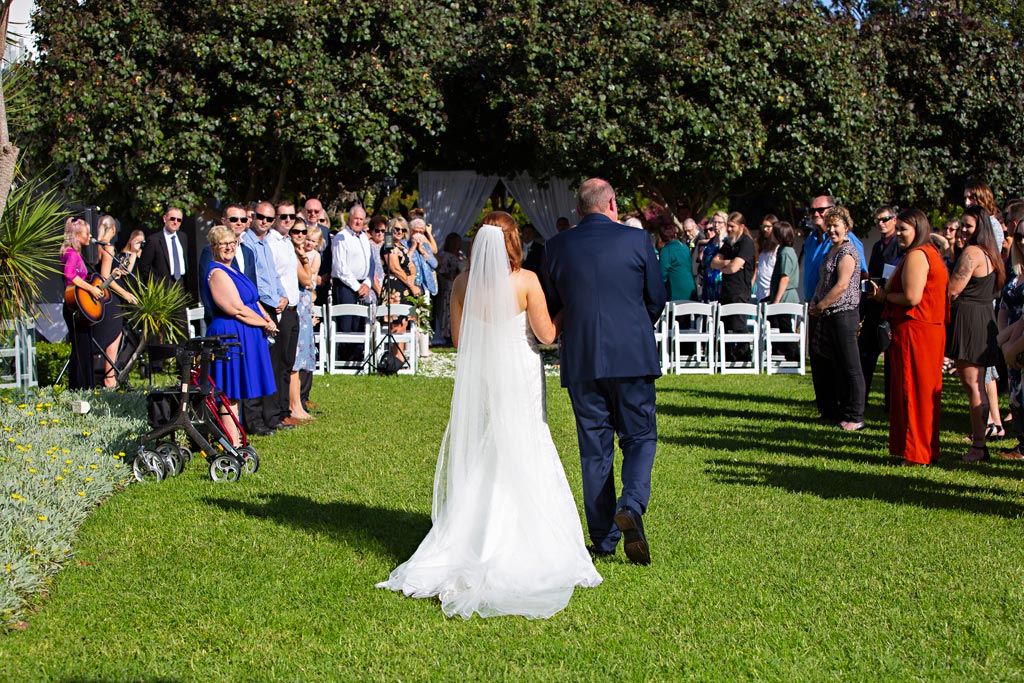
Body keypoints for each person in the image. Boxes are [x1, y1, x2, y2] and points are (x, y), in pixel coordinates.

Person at [377, 214, 601, 619]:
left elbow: (462, 342)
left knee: (491, 446)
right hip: (521, 372)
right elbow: (547, 336)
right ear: (513, 242)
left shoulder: (462, 285)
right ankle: (528, 542)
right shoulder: (526, 281)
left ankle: (473, 533)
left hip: (485, 376)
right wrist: (566, 311)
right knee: (527, 440)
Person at [544, 178, 667, 565]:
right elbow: (656, 299)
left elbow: (553, 305)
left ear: (579, 209)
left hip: (582, 359)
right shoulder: (637, 241)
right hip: (631, 355)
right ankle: (630, 504)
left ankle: (603, 536)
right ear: (612, 203)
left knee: (595, 448)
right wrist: (632, 327)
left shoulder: (556, 246)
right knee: (640, 436)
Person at [869, 209, 948, 465]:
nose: (899, 233)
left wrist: (883, 296)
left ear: (919, 229)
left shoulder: (917, 255)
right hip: (927, 329)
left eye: (904, 229)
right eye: (899, 228)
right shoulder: (930, 253)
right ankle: (923, 449)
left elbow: (912, 297)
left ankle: (916, 454)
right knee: (924, 392)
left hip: (916, 329)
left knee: (913, 391)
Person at [202, 225, 277, 447]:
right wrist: (264, 323)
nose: (228, 247)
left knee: (237, 391)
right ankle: (231, 443)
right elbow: (235, 308)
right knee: (229, 392)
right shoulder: (216, 272)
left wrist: (267, 317)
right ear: (214, 247)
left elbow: (252, 300)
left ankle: (236, 440)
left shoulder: (234, 269)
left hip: (245, 332)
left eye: (232, 243)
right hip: (229, 334)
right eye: (223, 244)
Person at [948, 204, 1005, 462]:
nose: (963, 229)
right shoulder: (992, 253)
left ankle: (979, 446)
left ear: (979, 227)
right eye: (962, 224)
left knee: (973, 387)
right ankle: (980, 442)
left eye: (968, 225)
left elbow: (952, 290)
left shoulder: (972, 252)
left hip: (970, 319)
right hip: (984, 317)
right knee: (977, 384)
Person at [809, 206, 866, 431]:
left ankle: (855, 415)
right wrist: (815, 301)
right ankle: (832, 410)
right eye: (829, 225)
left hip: (844, 314)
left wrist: (821, 305)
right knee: (830, 365)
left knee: (850, 366)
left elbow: (841, 285)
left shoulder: (848, 251)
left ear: (846, 227)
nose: (832, 230)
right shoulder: (831, 250)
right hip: (827, 315)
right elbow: (822, 281)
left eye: (836, 226)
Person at [860, 205, 903, 411]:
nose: (881, 223)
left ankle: (891, 403)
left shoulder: (899, 245)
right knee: (865, 353)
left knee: (891, 360)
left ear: (894, 220)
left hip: (890, 304)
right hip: (873, 304)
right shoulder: (877, 246)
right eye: (878, 220)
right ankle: (861, 398)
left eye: (885, 219)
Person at [91, 215, 138, 387]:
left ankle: (105, 375)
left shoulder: (94, 246)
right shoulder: (108, 247)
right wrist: (125, 294)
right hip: (111, 299)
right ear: (112, 229)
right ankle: (109, 377)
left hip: (99, 298)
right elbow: (105, 277)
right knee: (113, 337)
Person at [61, 217, 103, 389]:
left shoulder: (75, 254)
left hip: (79, 305)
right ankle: (80, 386)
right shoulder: (71, 253)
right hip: (74, 307)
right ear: (77, 235)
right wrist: (91, 289)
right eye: (87, 233)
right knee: (80, 349)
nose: (90, 236)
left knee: (84, 348)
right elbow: (70, 275)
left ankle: (84, 385)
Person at [997, 202, 1024, 459]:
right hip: (1011, 342)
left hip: (1019, 341)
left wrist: (1010, 340)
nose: (1023, 242)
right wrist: (1003, 338)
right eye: (1020, 237)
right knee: (1016, 396)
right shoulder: (1016, 272)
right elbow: (1004, 304)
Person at [711, 212, 756, 362]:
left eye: (732, 226)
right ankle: (728, 357)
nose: (729, 229)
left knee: (738, 325)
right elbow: (713, 262)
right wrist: (727, 263)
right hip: (726, 290)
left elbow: (734, 269)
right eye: (728, 226)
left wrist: (727, 266)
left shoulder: (746, 243)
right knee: (725, 325)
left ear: (741, 227)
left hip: (740, 292)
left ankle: (744, 357)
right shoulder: (729, 243)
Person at [288, 222, 315, 422]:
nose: (300, 234)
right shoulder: (292, 253)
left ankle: (298, 403)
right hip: (295, 309)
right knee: (294, 361)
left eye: (303, 231)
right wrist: (305, 259)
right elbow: (307, 280)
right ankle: (293, 405)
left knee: (300, 361)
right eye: (295, 231)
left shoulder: (297, 252)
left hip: (304, 310)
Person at [767, 221, 800, 361]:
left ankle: (792, 355)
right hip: (781, 295)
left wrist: (776, 301)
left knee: (785, 327)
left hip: (786, 297)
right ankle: (781, 352)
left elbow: (784, 278)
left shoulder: (786, 252)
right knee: (780, 325)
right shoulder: (782, 250)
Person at [436, 232, 467, 344]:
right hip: (450, 284)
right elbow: (442, 271)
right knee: (448, 308)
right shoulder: (446, 256)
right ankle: (448, 333)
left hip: (462, 284)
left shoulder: (461, 255)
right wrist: (453, 276)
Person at [657, 223, 696, 302]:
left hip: (675, 292)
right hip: (691, 288)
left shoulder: (666, 251)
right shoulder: (685, 248)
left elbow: (662, 274)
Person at [697, 212, 725, 302]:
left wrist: (721, 237)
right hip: (708, 280)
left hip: (720, 282)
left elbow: (723, 256)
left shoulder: (727, 241)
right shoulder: (710, 242)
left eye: (719, 222)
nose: (716, 225)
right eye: (714, 222)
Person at [754, 214, 778, 303]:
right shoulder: (761, 246)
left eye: (768, 227)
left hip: (770, 291)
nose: (765, 229)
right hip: (760, 290)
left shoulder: (778, 248)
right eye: (763, 227)